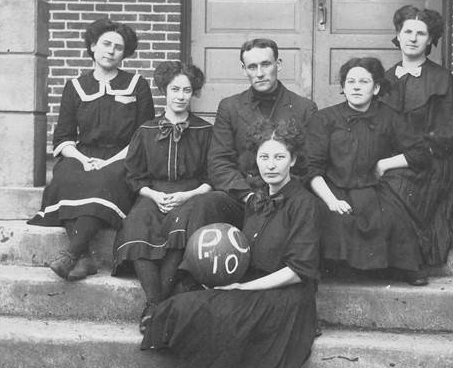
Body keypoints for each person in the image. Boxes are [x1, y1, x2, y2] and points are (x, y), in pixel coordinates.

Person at [141, 118, 322, 368]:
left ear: (293, 160)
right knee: (180, 307)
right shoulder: (258, 199)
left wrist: (242, 288)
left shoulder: (304, 204)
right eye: (264, 157)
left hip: (286, 296)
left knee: (226, 318)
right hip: (250, 282)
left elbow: (298, 272)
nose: (270, 165)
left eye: (279, 157)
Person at [28, 19, 155, 281]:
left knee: (105, 179)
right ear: (93, 46)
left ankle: (72, 255)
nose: (111, 51)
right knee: (68, 175)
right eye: (106, 44)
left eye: (118, 47)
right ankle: (83, 258)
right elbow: (63, 138)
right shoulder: (74, 86)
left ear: (124, 53)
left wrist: (109, 162)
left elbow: (143, 135)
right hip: (82, 155)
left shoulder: (138, 85)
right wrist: (84, 159)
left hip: (124, 156)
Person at [112, 61, 214, 333]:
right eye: (175, 89)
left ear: (194, 94)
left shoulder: (205, 131)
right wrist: (154, 195)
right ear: (164, 91)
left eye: (187, 90)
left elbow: (212, 177)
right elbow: (135, 176)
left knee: (179, 230)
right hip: (153, 194)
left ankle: (154, 307)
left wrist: (187, 195)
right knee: (137, 223)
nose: (180, 96)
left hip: (191, 194)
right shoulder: (146, 130)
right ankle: (155, 303)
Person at [308, 57, 429, 284]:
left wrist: (385, 164)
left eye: (363, 81)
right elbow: (312, 169)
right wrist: (331, 201)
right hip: (334, 187)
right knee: (330, 216)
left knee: (392, 216)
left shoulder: (389, 116)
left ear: (376, 88)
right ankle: (338, 269)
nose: (356, 86)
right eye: (350, 81)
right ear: (343, 87)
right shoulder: (324, 118)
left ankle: (402, 267)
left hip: (374, 189)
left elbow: (420, 153)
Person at [379, 5, 453, 284]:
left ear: (431, 39)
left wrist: (409, 157)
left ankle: (410, 262)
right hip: (396, 158)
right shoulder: (383, 79)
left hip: (437, 159)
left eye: (421, 33)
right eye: (407, 31)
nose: (412, 38)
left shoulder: (443, 80)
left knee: (398, 186)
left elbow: (450, 133)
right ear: (397, 35)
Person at [197, 38, 318, 230]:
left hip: (285, 199)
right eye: (252, 67)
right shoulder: (230, 107)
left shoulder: (304, 108)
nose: (260, 73)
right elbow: (219, 162)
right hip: (243, 197)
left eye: (266, 64)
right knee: (207, 204)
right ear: (244, 69)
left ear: (278, 64)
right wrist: (248, 196)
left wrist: (279, 194)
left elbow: (309, 164)